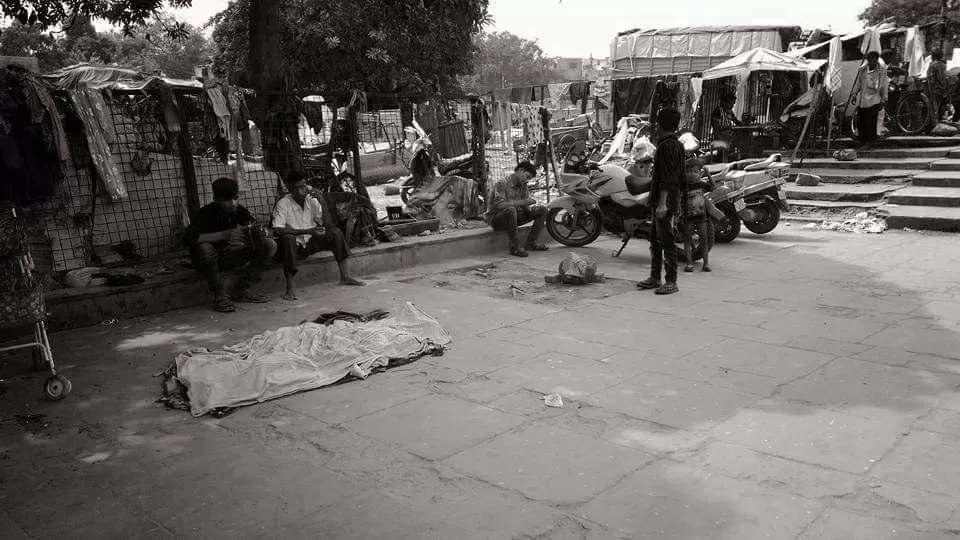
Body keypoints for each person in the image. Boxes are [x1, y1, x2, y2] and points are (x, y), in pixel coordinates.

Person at [181, 177, 277, 313]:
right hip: (205, 261)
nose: (233, 203)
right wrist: (223, 235)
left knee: (269, 245)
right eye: (227, 200)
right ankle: (219, 296)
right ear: (216, 199)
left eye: (235, 198)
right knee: (205, 247)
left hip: (229, 256)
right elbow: (186, 239)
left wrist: (255, 235)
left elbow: (252, 228)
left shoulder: (240, 211)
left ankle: (242, 289)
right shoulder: (205, 213)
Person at [273, 171, 364, 301]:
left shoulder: (312, 200)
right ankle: (290, 288)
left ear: (307, 186)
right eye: (295, 188)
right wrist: (308, 231)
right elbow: (277, 230)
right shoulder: (283, 204)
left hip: (311, 241)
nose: (300, 191)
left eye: (303, 186)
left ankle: (345, 276)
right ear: (289, 189)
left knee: (335, 233)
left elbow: (328, 225)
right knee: (288, 239)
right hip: (295, 246)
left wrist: (322, 201)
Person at [638, 107, 684, 295]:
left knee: (666, 241)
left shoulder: (666, 146)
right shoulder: (677, 144)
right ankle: (655, 276)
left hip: (665, 200)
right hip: (669, 198)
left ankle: (670, 280)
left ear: (659, 125)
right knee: (655, 240)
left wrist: (663, 203)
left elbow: (667, 177)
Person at [486, 161, 549, 257]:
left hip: (513, 217)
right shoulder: (502, 183)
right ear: (520, 170)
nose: (527, 180)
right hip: (497, 220)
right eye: (527, 177)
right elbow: (500, 205)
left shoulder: (523, 185)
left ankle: (531, 243)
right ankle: (514, 247)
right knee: (511, 209)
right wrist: (523, 202)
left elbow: (525, 206)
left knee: (542, 210)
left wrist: (530, 208)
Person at [850, 51, 888, 150]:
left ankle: (870, 142)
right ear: (868, 60)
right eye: (871, 60)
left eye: (875, 61)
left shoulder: (881, 71)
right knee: (861, 123)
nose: (873, 63)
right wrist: (854, 94)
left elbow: (884, 86)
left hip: (875, 100)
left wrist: (883, 100)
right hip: (863, 101)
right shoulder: (863, 71)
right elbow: (858, 83)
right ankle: (862, 142)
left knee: (871, 123)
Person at [710, 94, 743, 161]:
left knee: (743, 135)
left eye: (733, 104)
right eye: (731, 104)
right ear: (725, 102)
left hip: (728, 134)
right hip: (720, 135)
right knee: (738, 138)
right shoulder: (717, 112)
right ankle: (726, 156)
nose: (732, 106)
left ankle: (740, 155)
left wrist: (744, 125)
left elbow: (736, 121)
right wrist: (728, 127)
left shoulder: (730, 112)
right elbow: (716, 127)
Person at [928, 49, 949, 123]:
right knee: (938, 107)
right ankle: (937, 124)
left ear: (933, 56)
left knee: (933, 107)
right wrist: (945, 91)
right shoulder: (941, 65)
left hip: (931, 89)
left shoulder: (931, 64)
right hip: (938, 89)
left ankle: (933, 123)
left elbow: (930, 78)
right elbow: (942, 79)